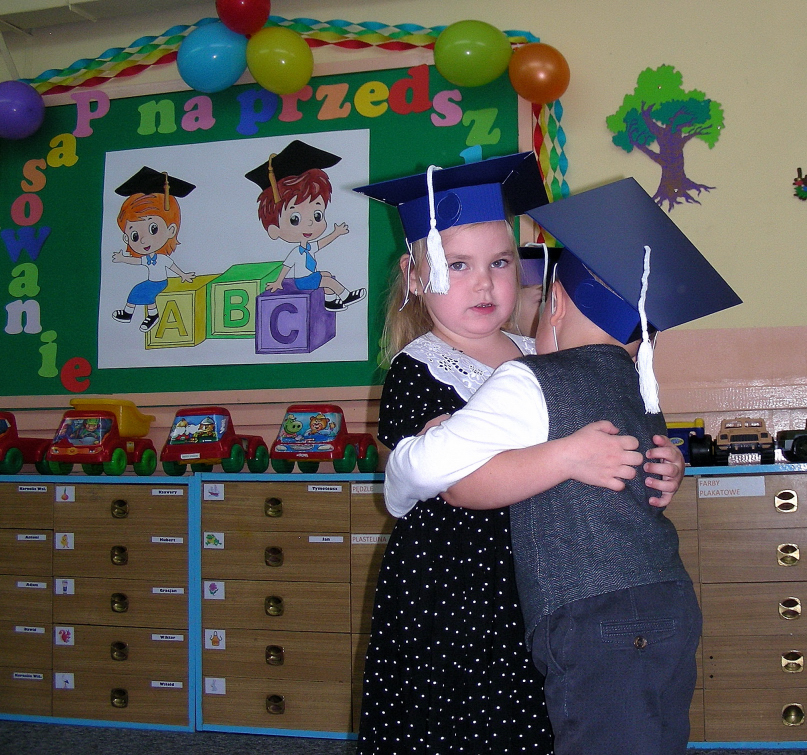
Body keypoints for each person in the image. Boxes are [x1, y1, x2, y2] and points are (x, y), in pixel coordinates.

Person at [385, 177, 742, 755]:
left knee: (563, 713)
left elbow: (613, 432)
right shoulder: (420, 369)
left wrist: (660, 462)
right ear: (414, 276)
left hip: (548, 573)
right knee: (464, 718)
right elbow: (455, 484)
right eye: (458, 265)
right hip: (458, 583)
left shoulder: (542, 355)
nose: (484, 282)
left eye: (500, 262)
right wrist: (567, 456)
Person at [245, 139, 365, 311]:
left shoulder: (308, 247)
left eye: (317, 215)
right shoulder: (297, 252)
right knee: (327, 280)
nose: (310, 223)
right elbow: (286, 267)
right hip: (302, 281)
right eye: (294, 219)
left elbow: (321, 243)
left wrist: (336, 233)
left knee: (326, 276)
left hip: (307, 278)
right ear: (274, 230)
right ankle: (346, 296)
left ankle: (329, 302)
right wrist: (278, 282)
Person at [110, 166, 196, 332]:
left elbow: (172, 266)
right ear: (126, 238)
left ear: (171, 230)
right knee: (141, 293)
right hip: (154, 282)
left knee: (142, 293)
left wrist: (183, 275)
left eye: (153, 229)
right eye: (135, 235)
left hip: (160, 282)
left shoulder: (161, 258)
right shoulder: (149, 257)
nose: (143, 240)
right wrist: (122, 258)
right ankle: (143, 314)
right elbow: (136, 261)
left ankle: (142, 314)